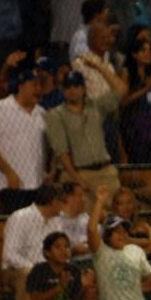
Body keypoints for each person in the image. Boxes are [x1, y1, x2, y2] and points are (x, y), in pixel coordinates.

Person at [45, 70, 126, 209]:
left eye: (76, 86)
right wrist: (77, 178)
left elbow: (121, 89)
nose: (72, 90)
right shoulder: (56, 115)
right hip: (80, 174)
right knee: (84, 218)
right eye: (68, 87)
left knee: (115, 216)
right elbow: (61, 151)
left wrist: (97, 66)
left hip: (106, 172)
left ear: (83, 88)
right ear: (63, 90)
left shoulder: (96, 106)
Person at [87, 186, 151, 300]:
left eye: (123, 231)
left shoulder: (136, 251)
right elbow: (91, 230)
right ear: (108, 235)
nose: (121, 235)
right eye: (117, 232)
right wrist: (100, 201)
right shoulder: (101, 253)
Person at [0, 69, 46, 213]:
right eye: (34, 85)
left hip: (37, 184)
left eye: (39, 85)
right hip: (11, 184)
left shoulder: (41, 112)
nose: (38, 89)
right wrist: (9, 172)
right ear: (21, 86)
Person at [0, 184, 66, 300]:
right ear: (53, 201)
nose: (64, 206)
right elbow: (10, 254)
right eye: (62, 201)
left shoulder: (56, 221)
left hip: (47, 269)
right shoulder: (20, 217)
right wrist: (36, 270)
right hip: (15, 270)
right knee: (27, 274)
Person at [26, 232, 96, 300]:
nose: (63, 250)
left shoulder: (73, 270)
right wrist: (59, 287)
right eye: (57, 247)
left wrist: (84, 286)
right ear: (47, 252)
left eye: (66, 246)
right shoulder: (39, 271)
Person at [112, 187, 151, 258]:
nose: (125, 207)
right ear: (115, 207)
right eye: (121, 203)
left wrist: (141, 252)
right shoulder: (113, 226)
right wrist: (146, 242)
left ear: (134, 205)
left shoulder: (144, 225)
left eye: (129, 202)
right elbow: (125, 244)